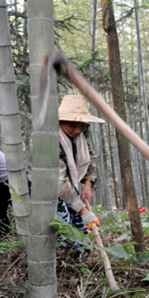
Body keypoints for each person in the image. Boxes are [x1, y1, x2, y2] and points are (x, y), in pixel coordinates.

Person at [57, 95, 104, 250]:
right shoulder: (51, 140)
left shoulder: (81, 135)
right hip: (51, 193)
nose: (77, 130)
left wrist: (88, 184)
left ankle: (80, 262)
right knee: (65, 233)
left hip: (73, 187)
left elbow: (90, 157)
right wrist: (83, 210)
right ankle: (67, 266)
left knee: (81, 233)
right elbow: (58, 182)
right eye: (72, 126)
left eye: (82, 126)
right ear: (60, 122)